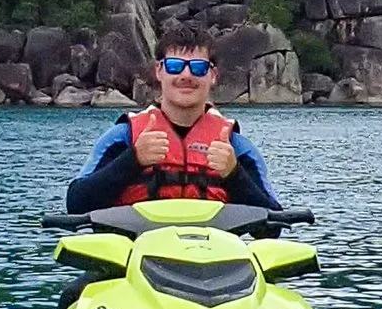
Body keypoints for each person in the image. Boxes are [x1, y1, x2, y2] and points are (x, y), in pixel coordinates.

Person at [64, 36, 280, 216]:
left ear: (213, 76)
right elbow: (76, 204)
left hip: (210, 250)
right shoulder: (123, 137)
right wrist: (133, 160)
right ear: (159, 71)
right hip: (138, 246)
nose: (186, 76)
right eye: (175, 66)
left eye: (198, 68)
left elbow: (273, 223)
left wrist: (234, 174)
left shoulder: (235, 146)